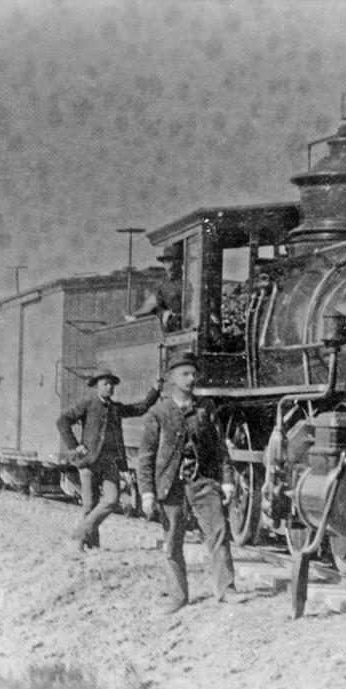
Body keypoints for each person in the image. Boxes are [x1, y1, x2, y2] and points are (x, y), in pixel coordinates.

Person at [134, 353, 237, 613]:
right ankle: (177, 597)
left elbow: (220, 450)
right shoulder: (157, 413)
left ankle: (225, 590)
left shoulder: (206, 410)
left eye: (193, 374)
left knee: (218, 532)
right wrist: (147, 493)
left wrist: (226, 482)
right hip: (171, 485)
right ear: (171, 378)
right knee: (172, 542)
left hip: (203, 481)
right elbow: (145, 458)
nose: (191, 379)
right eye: (185, 374)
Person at [57, 369, 162, 552]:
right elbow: (63, 421)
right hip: (88, 463)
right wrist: (74, 445)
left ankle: (80, 533)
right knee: (89, 506)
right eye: (105, 384)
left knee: (112, 500)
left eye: (111, 384)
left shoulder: (115, 408)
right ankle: (90, 544)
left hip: (110, 463)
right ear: (97, 386)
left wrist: (155, 390)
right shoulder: (88, 404)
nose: (110, 387)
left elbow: (141, 408)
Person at [130, 243, 183, 332]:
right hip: (173, 328)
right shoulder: (161, 285)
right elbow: (155, 308)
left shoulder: (189, 280)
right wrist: (165, 314)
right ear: (163, 263)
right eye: (168, 261)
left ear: (181, 262)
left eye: (175, 261)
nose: (171, 265)